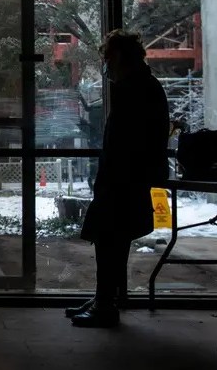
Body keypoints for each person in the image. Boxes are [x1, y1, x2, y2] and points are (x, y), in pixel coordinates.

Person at [67, 29, 169, 328]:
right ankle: (103, 299)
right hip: (127, 179)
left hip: (125, 181)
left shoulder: (136, 90)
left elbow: (127, 143)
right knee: (112, 240)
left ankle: (104, 304)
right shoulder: (143, 87)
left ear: (122, 57)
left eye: (109, 58)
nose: (106, 65)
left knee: (109, 240)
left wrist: (110, 178)